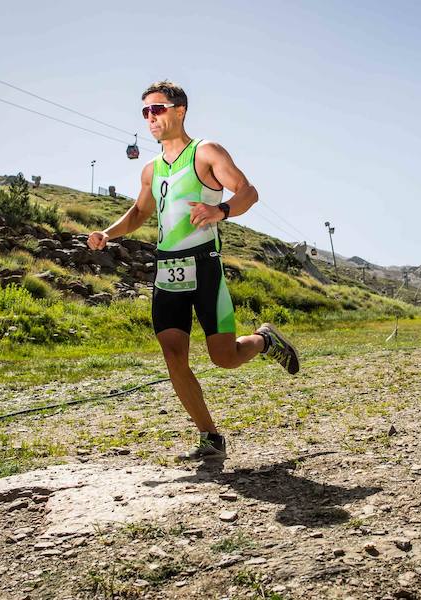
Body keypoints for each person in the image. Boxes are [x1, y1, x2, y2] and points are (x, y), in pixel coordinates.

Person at [87, 81, 299, 461]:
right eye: (145, 112)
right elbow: (139, 213)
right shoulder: (151, 169)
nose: (151, 118)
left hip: (204, 267)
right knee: (173, 356)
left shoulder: (206, 152)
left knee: (224, 357)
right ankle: (210, 437)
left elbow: (248, 191)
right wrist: (107, 232)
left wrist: (222, 211)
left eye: (158, 109)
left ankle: (266, 341)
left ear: (180, 110)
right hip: (167, 271)